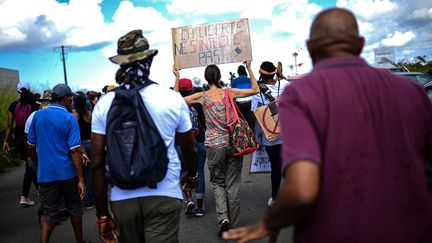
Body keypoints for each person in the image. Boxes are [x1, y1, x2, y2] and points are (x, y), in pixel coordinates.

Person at [224, 7, 432, 243]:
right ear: (361, 44)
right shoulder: (412, 93)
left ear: (310, 47)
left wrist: (270, 223)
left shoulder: (302, 94)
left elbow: (303, 187)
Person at [91, 29, 199, 243]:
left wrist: (102, 215)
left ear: (120, 64)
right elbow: (190, 147)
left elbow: (97, 163)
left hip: (123, 199)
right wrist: (192, 176)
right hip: (164, 192)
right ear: (149, 60)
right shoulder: (171, 98)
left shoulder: (104, 103)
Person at [174, 61, 259, 238]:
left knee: (218, 182)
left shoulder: (201, 96)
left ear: (206, 78)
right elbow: (255, 90)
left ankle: (223, 220)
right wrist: (249, 67)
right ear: (219, 77)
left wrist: (177, 77)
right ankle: (234, 225)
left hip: (213, 145)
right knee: (233, 184)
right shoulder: (229, 92)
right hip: (233, 143)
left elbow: (175, 100)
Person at [27, 83, 86, 243]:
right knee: (75, 209)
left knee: (47, 213)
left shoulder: (38, 116)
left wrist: (35, 162)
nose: (71, 100)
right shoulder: (69, 118)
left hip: (46, 175)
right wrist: (81, 179)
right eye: (70, 98)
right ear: (66, 99)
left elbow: (30, 146)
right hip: (67, 173)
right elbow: (74, 150)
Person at [251, 61, 290, 207]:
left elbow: (256, 115)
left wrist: (257, 137)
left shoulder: (257, 91)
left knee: (276, 166)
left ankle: (275, 198)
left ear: (261, 74)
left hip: (271, 135)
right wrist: (281, 76)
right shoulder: (285, 85)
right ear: (275, 73)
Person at [173, 77, 208, 217]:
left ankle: (189, 200)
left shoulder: (174, 104)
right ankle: (200, 207)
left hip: (180, 144)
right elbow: (204, 124)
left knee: (183, 171)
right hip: (199, 141)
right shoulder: (198, 104)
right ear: (191, 89)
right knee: (199, 171)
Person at [3, 81, 39, 206]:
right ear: (29, 89)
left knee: (31, 163)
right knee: (31, 164)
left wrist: (6, 141)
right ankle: (24, 196)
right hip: (31, 138)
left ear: (18, 91)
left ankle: (39, 189)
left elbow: (9, 126)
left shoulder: (13, 105)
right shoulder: (34, 104)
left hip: (18, 139)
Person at [73, 91, 94, 209]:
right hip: (92, 143)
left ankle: (89, 200)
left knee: (84, 173)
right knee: (95, 171)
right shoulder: (89, 113)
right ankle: (100, 194)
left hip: (81, 147)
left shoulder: (75, 115)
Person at [231, 65, 255, 131]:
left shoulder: (234, 81)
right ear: (245, 71)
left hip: (239, 104)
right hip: (250, 103)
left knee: (241, 123)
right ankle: (252, 138)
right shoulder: (250, 79)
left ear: (238, 72)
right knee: (251, 124)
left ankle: (244, 138)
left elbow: (232, 93)